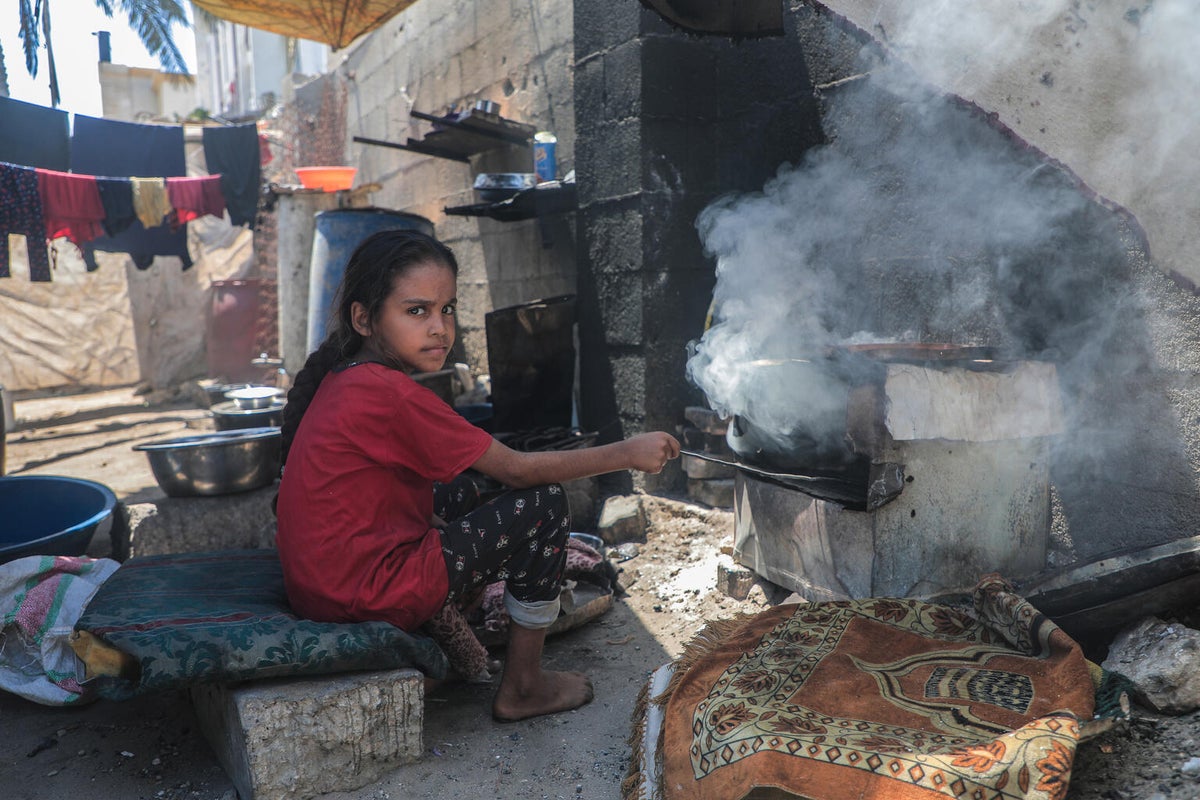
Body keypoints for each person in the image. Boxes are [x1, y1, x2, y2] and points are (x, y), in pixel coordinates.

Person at [274, 229, 680, 722]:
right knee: (544, 504)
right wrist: (626, 452)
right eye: (416, 311)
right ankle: (525, 687)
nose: (440, 328)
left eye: (447, 309)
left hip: (321, 585)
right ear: (364, 318)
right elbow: (517, 469)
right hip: (362, 593)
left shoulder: (349, 377)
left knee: (458, 489)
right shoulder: (391, 394)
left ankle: (472, 622)